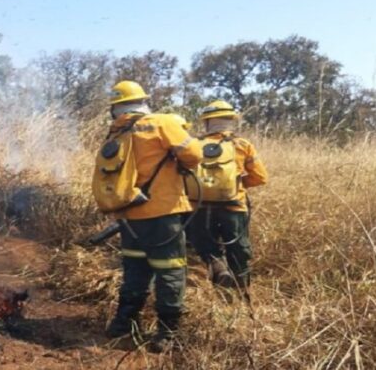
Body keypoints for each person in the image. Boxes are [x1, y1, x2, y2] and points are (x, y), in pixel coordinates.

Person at [102, 81, 202, 352]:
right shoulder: (161, 122)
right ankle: (167, 333)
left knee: (135, 269)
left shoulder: (116, 132)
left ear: (116, 106)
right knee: (169, 270)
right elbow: (194, 155)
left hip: (128, 215)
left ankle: (123, 324)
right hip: (162, 213)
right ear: (143, 101)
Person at [186, 100, 268, 291]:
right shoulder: (242, 145)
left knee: (207, 247)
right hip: (234, 205)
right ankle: (242, 290)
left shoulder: (193, 145)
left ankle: (219, 271)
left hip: (199, 207)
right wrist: (238, 184)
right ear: (231, 121)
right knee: (239, 249)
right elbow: (261, 177)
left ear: (206, 122)